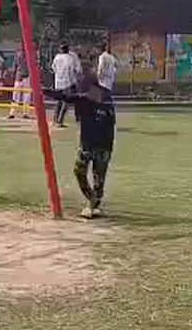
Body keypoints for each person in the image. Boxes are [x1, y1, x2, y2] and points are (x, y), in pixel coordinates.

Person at [46, 69, 116, 219]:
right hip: (88, 143)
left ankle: (93, 204)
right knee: (79, 171)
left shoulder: (98, 96)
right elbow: (63, 95)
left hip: (102, 145)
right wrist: (44, 91)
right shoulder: (87, 95)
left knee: (99, 178)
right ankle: (92, 200)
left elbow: (67, 96)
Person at [51, 42, 80, 127]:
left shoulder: (57, 57)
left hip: (58, 83)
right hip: (68, 83)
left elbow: (53, 68)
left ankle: (55, 119)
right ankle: (60, 121)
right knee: (65, 103)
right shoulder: (70, 58)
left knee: (59, 102)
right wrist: (74, 81)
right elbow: (73, 71)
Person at [9, 51, 31, 119]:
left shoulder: (29, 55)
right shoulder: (20, 54)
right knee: (16, 96)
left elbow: (14, 67)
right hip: (20, 77)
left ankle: (24, 113)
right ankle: (13, 113)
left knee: (25, 96)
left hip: (25, 77)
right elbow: (14, 66)